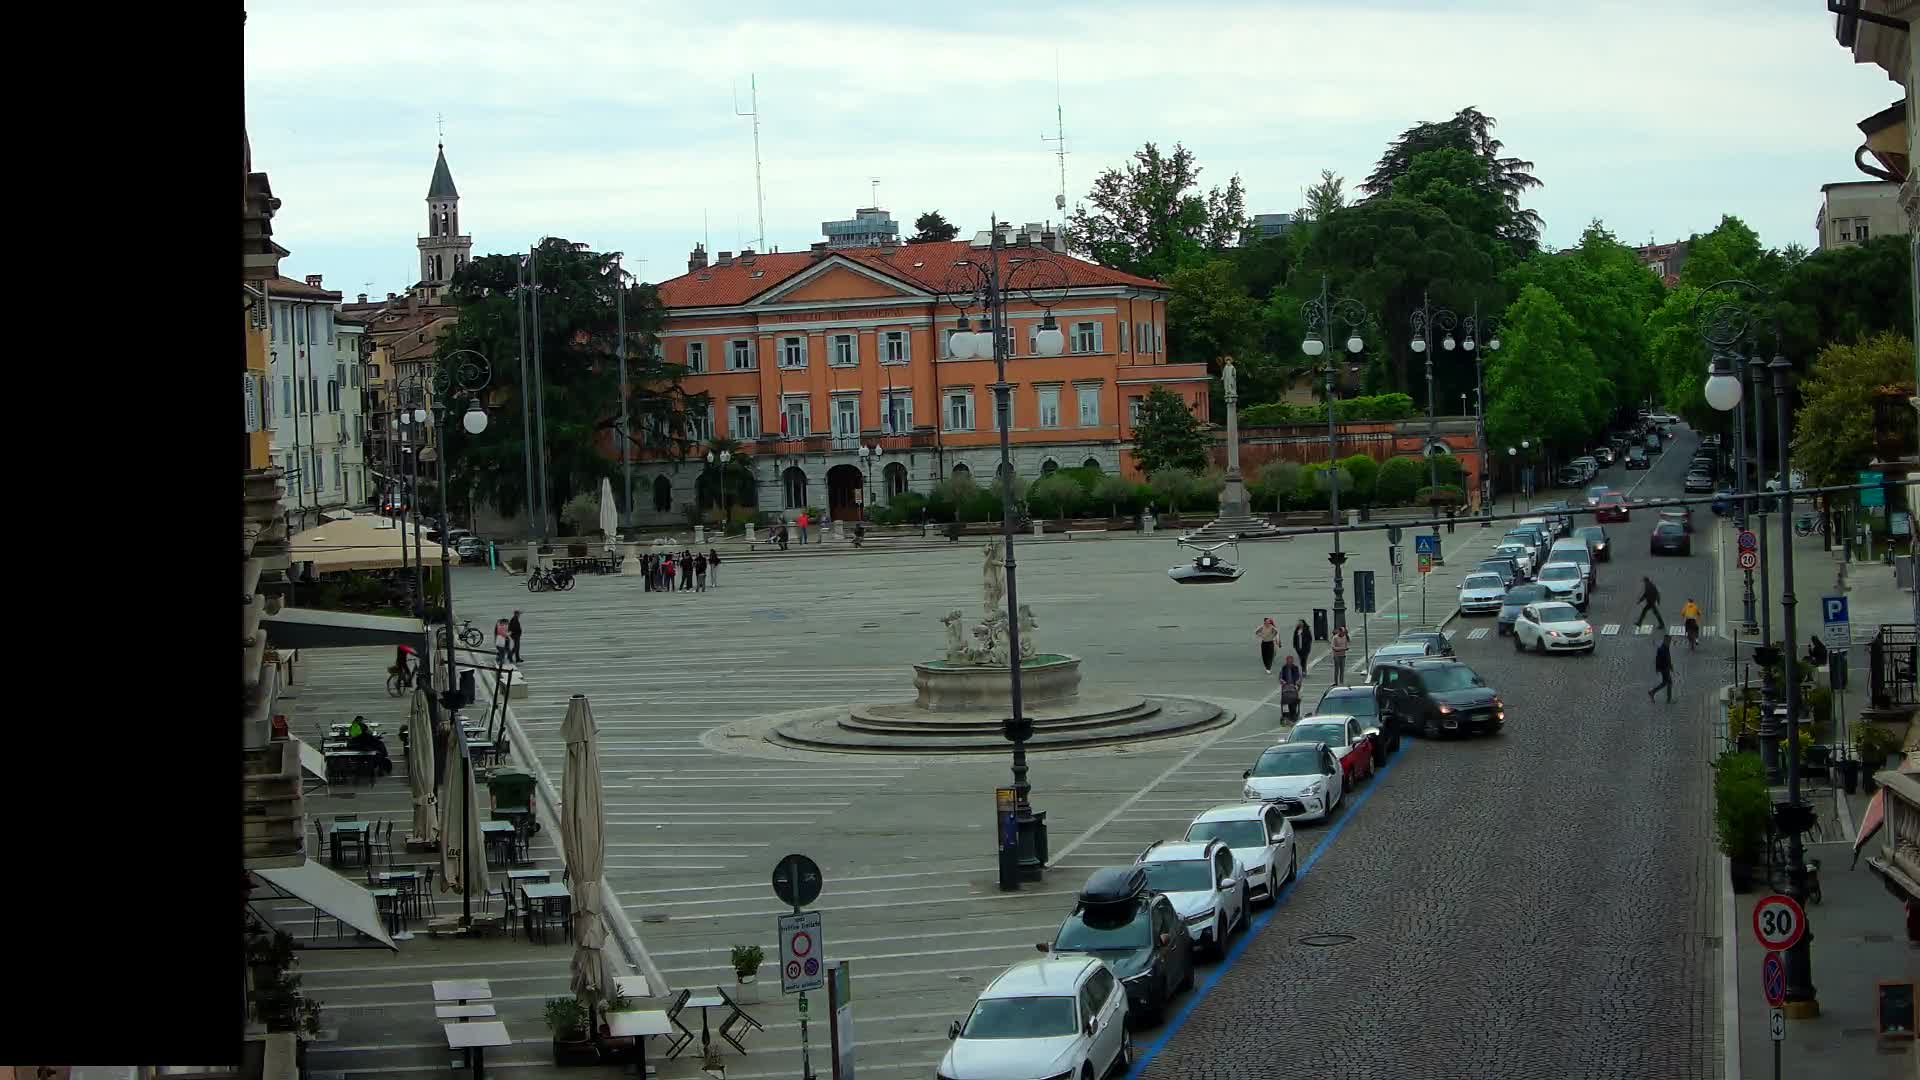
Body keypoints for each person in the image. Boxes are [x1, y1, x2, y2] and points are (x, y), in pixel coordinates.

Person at [1277, 654, 1304, 722]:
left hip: (1293, 687)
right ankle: (1285, 715)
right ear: (1286, 661)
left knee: (1294, 701)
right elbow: (1280, 677)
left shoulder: (1296, 668)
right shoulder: (1283, 668)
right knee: (1285, 701)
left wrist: (1297, 683)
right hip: (1286, 688)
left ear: (1292, 661)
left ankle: (1293, 715)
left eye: (1291, 661)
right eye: (1288, 661)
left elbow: (1299, 677)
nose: (1289, 663)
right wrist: (1283, 681)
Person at [1649, 636, 1674, 704]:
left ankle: (1652, 692)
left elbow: (1668, 658)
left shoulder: (1666, 648)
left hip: (1665, 668)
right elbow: (1659, 660)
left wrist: (1670, 665)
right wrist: (1659, 668)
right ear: (1665, 641)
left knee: (1665, 683)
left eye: (1670, 641)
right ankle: (1669, 699)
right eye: (1668, 641)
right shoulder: (1662, 649)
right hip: (1664, 669)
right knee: (1669, 683)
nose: (1669, 642)